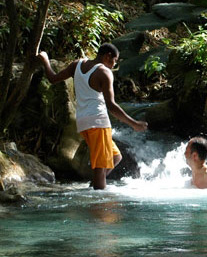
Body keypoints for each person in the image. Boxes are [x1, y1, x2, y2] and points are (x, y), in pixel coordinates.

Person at [38, 43, 148, 190]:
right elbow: (111, 105)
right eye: (115, 60)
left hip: (83, 122)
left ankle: (94, 185)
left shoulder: (77, 64)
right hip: (98, 121)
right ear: (107, 56)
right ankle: (100, 206)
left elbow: (53, 78)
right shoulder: (104, 73)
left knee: (116, 157)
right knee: (100, 167)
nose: (114, 64)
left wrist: (45, 59)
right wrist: (133, 123)